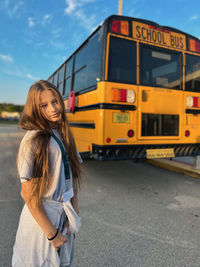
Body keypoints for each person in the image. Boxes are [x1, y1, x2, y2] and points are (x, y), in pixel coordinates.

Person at [12, 80, 82, 267]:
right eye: (44, 105)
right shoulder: (34, 140)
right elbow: (28, 195)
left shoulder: (64, 133)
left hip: (64, 215)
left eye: (55, 101)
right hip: (42, 222)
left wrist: (74, 212)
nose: (53, 108)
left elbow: (72, 177)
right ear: (35, 108)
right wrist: (52, 234)